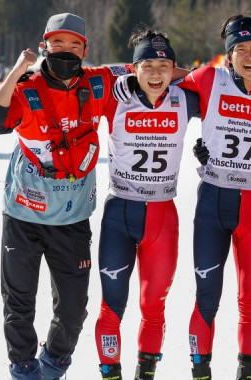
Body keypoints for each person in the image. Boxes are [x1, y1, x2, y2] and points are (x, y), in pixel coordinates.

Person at [0, 13, 126, 380]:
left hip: (72, 218)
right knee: (19, 303)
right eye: (58, 43)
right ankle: (23, 368)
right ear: (44, 45)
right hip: (22, 216)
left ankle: (53, 364)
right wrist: (16, 70)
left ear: (84, 49)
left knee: (74, 308)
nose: (66, 50)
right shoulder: (25, 87)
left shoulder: (99, 82)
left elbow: (153, 68)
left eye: (74, 44)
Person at [180, 15, 251, 380]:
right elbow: (159, 76)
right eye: (241, 49)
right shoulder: (210, 79)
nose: (250, 56)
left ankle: (246, 374)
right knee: (207, 296)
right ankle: (201, 372)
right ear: (229, 56)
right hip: (212, 202)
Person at [94, 29, 200, 380]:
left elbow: (220, 75)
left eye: (164, 65)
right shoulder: (115, 96)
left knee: (154, 308)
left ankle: (145, 374)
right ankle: (110, 373)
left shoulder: (185, 98)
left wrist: (177, 72)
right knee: (112, 308)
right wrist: (119, 75)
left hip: (162, 216)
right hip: (119, 213)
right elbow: (86, 77)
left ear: (174, 67)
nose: (156, 74)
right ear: (133, 68)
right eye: (147, 65)